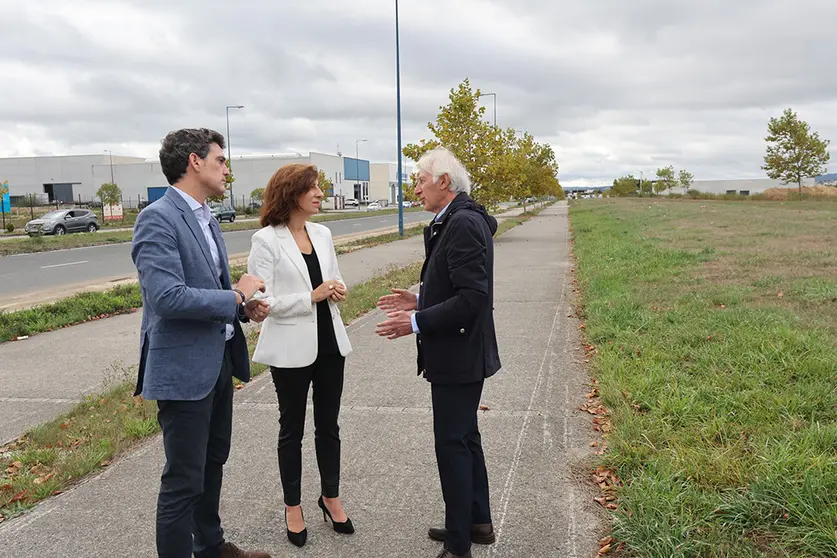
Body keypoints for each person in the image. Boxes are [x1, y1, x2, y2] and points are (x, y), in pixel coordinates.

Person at [131, 128, 272, 558]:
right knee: (183, 480)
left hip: (216, 367)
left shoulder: (207, 217)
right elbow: (167, 297)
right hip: (182, 373)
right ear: (194, 162)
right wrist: (237, 294)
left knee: (212, 464)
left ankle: (211, 546)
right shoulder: (158, 217)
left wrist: (241, 310)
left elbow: (208, 290)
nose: (226, 169)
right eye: (220, 161)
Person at [376, 147, 500, 558]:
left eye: (420, 181)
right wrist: (420, 298)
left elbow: (471, 299)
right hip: (461, 352)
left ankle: (458, 543)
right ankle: (475, 523)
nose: (416, 190)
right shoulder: (454, 219)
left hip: (458, 355)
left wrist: (415, 322)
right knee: (465, 437)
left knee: (452, 445)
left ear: (443, 182)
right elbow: (456, 284)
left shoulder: (461, 223)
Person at [247, 163, 354, 548]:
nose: (320, 194)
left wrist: (336, 290)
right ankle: (293, 506)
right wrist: (311, 296)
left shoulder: (323, 233)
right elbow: (261, 300)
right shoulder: (266, 240)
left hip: (330, 344)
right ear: (292, 193)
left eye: (320, 188)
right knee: (291, 429)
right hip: (290, 348)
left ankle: (330, 496)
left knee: (329, 425)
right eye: (313, 188)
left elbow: (335, 278)